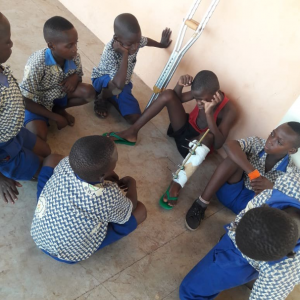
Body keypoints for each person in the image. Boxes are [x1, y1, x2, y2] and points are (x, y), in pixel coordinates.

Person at [104, 71, 237, 209]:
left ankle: (177, 182)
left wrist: (209, 115)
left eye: (202, 99)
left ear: (216, 94)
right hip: (183, 129)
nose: (198, 103)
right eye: (195, 98)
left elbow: (218, 143)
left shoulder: (229, 110)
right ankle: (131, 132)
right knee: (168, 94)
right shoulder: (201, 92)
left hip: (196, 146)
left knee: (208, 136)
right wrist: (179, 85)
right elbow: (176, 98)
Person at [180, 172, 300, 300]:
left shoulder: (284, 271)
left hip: (245, 261)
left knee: (190, 292)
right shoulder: (291, 181)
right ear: (265, 207)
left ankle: (250, 272)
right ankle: (249, 274)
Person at [31, 135, 147, 263]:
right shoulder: (108, 195)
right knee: (140, 211)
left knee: (52, 159)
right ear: (102, 175)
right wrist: (132, 183)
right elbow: (131, 207)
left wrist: (105, 174)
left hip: (39, 236)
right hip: (69, 255)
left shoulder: (65, 164)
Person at [185, 121, 300, 230]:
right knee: (234, 158)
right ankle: (201, 204)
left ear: (291, 150)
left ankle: (238, 232)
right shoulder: (258, 143)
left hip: (248, 208)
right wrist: (252, 172)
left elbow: (292, 202)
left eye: (279, 142)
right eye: (272, 134)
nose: (270, 141)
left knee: (278, 201)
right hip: (229, 190)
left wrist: (271, 188)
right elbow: (229, 145)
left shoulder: (291, 172)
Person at [0, 13, 51, 204]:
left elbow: (16, 97)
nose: (12, 44)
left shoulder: (1, 68)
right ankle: (6, 169)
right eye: (7, 41)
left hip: (15, 133)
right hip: (3, 149)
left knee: (47, 151)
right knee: (44, 170)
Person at [20, 16, 96, 141]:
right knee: (39, 137)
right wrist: (55, 117)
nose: (75, 49)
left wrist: (75, 77)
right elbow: (25, 100)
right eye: (69, 46)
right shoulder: (36, 63)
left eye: (76, 43)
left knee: (89, 92)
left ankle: (59, 109)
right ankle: (53, 113)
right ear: (51, 45)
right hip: (37, 101)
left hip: (58, 94)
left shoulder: (74, 56)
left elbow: (79, 75)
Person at [91, 13, 172, 123]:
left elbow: (146, 41)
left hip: (123, 83)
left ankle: (112, 98)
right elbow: (117, 83)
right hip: (103, 81)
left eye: (138, 42)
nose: (135, 47)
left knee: (134, 119)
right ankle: (101, 98)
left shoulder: (134, 41)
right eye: (130, 44)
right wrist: (124, 54)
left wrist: (161, 44)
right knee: (117, 87)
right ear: (117, 39)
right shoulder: (110, 52)